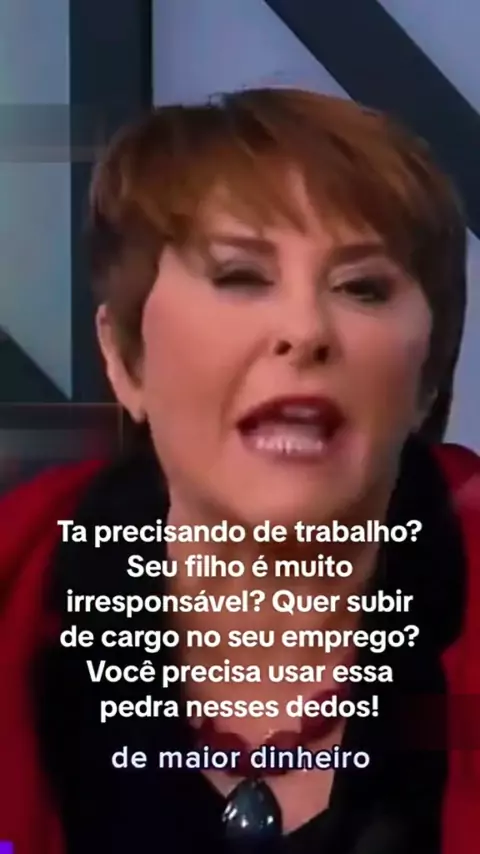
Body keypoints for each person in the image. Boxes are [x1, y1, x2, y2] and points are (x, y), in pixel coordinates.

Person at [0, 87, 479, 854]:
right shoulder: (22, 598)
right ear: (125, 359)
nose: (305, 329)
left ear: (429, 375)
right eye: (240, 276)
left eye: (362, 286)